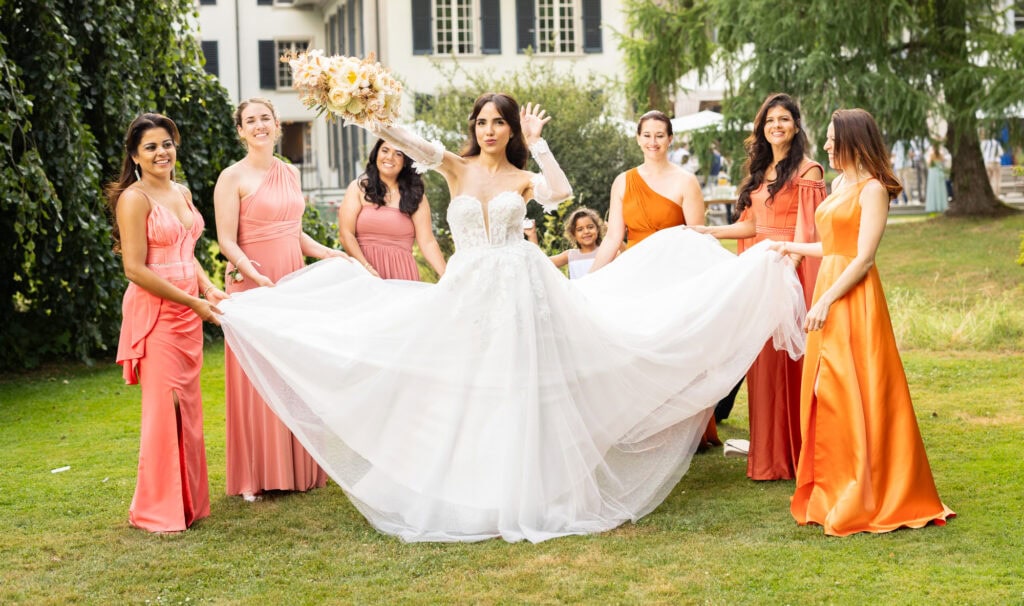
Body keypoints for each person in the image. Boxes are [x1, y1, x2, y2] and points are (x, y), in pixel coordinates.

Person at [217, 92, 807, 543]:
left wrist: (537, 139)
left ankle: (537, 488)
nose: (490, 130)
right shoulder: (452, 166)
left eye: (498, 122)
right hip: (470, 289)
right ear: (473, 128)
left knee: (524, 387)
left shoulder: (522, 175)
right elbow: (408, 140)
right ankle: (472, 487)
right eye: (483, 122)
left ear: (509, 128)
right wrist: (368, 108)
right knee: (468, 387)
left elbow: (559, 189)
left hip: (522, 290)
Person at [770, 108, 955, 536]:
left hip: (853, 296)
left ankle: (871, 490)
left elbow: (863, 257)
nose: (828, 146)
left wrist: (828, 299)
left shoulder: (873, 189)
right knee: (825, 388)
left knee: (854, 388)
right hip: (829, 289)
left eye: (834, 139)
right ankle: (836, 486)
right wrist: (788, 246)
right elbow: (831, 245)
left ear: (854, 140)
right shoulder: (838, 184)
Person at [214, 98, 348, 501]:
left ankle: (299, 468)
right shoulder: (231, 177)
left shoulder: (289, 173)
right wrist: (249, 269)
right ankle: (261, 472)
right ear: (240, 130)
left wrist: (327, 252)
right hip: (253, 280)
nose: (259, 126)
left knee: (292, 370)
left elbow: (293, 231)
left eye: (265, 119)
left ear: (277, 125)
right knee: (258, 375)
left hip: (290, 279)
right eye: (250, 120)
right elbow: (225, 239)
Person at [689, 93, 826, 480]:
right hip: (760, 269)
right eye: (769, 121)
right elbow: (751, 226)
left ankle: (801, 454)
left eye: (783, 119)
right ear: (761, 128)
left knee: (794, 360)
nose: (776, 126)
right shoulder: (759, 168)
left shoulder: (809, 170)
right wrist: (709, 230)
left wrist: (790, 268)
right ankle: (770, 458)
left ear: (796, 126)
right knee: (763, 363)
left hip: (791, 268)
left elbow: (809, 227)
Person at [106, 113, 226, 532]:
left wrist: (208, 290)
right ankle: (159, 508)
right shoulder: (134, 199)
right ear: (136, 156)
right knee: (165, 406)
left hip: (189, 308)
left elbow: (185, 252)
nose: (161, 152)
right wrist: (192, 301)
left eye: (167, 143)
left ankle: (188, 502)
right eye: (151, 147)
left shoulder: (183, 190)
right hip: (157, 312)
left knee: (189, 407)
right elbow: (135, 270)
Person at [589, 110, 721, 448]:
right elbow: (613, 236)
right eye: (646, 135)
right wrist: (590, 279)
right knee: (635, 349)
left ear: (670, 139)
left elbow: (699, 237)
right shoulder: (623, 180)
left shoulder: (685, 182)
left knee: (674, 350)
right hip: (635, 275)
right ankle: (642, 423)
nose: (653, 142)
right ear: (637, 138)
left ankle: (683, 429)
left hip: (674, 277)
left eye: (659, 135)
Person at [338, 138, 446, 279]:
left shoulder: (416, 196)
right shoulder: (358, 188)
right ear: (376, 154)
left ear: (405, 161)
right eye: (385, 150)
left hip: (401, 274)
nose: (390, 157)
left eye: (398, 154)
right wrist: (367, 268)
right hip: (362, 274)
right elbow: (345, 234)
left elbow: (428, 242)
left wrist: (448, 276)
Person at [547, 207, 605, 279]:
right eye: (580, 229)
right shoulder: (570, 255)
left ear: (598, 229)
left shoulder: (607, 252)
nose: (586, 232)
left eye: (590, 227)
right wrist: (532, 235)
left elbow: (623, 257)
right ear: (573, 234)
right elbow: (541, 262)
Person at [924, 141, 949, 213]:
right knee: (940, 189)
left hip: (933, 173)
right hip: (939, 172)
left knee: (933, 189)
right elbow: (944, 161)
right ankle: (941, 206)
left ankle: (934, 206)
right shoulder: (941, 154)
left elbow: (929, 164)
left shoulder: (931, 155)